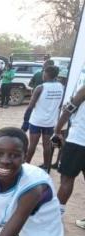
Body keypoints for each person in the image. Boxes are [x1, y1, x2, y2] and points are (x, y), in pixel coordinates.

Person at [53, 84, 85, 217]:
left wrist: (57, 130)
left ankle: (57, 215)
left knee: (67, 179)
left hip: (78, 140)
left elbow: (69, 109)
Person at [24, 66, 64, 168]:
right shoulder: (61, 87)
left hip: (36, 121)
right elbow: (60, 105)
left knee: (32, 145)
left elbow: (31, 106)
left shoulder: (40, 88)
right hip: (50, 122)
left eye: (43, 73)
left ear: (46, 74)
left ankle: (26, 165)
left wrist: (25, 121)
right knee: (47, 145)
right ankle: (46, 167)